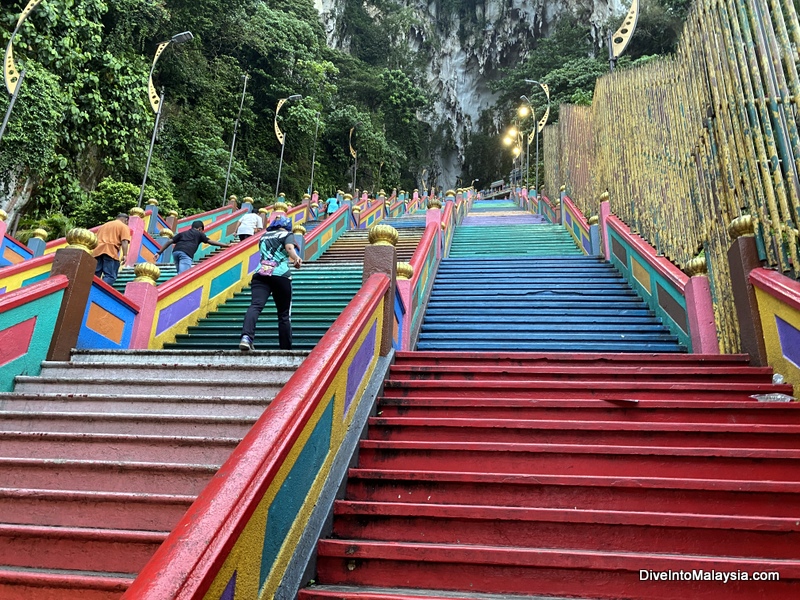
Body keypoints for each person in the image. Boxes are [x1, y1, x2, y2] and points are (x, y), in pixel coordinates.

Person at [239, 216, 303, 351]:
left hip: (260, 274)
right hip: (280, 274)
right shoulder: (287, 234)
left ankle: (246, 337)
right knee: (284, 314)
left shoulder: (263, 236)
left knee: (255, 306)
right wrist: (296, 258)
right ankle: (285, 349)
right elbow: (290, 248)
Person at [154, 220, 230, 274]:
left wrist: (159, 252)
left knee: (179, 274)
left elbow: (169, 241)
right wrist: (225, 245)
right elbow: (210, 241)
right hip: (186, 253)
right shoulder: (199, 233)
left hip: (176, 252)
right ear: (200, 229)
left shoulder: (183, 233)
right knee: (183, 276)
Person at [93, 213, 131, 286]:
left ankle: (92, 291)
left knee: (95, 275)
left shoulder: (104, 225)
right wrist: (125, 255)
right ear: (126, 220)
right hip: (110, 251)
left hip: (97, 251)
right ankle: (102, 291)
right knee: (110, 276)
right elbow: (124, 241)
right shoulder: (123, 226)